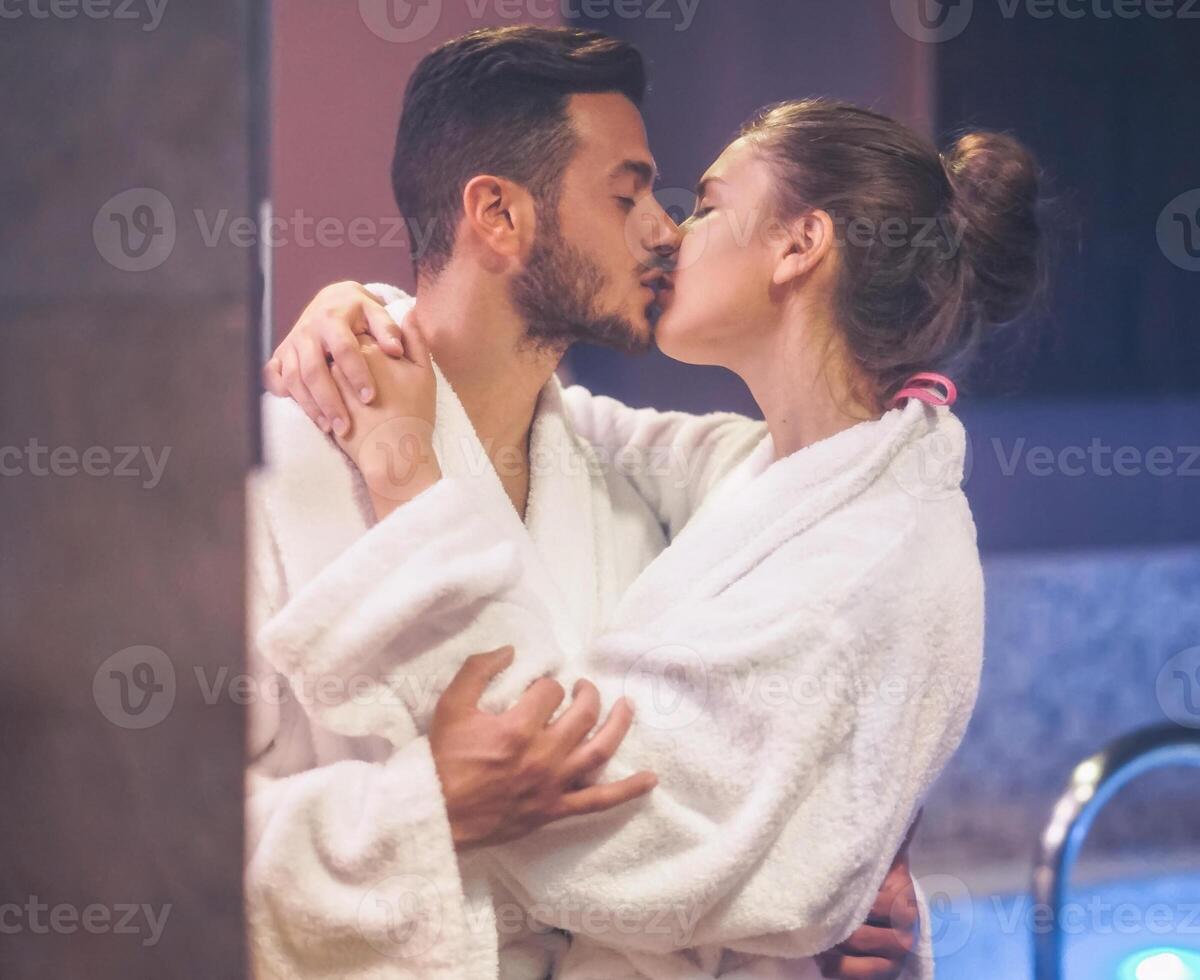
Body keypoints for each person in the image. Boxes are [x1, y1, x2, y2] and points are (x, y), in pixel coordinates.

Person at [267, 65, 1042, 980]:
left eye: (701, 205)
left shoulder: (874, 550)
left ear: (799, 247)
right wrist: (368, 324)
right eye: (632, 195)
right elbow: (579, 428)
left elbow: (589, 810)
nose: (670, 232)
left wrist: (832, 897)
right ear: (498, 216)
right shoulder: (758, 481)